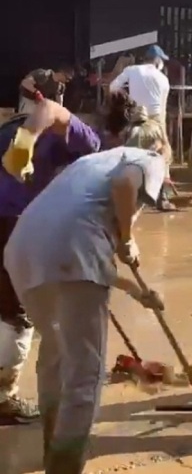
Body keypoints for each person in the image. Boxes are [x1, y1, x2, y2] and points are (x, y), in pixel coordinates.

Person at [4, 118, 169, 472]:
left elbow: (87, 266)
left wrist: (139, 292)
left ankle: (53, 447)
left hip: (22, 249)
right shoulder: (147, 158)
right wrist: (126, 238)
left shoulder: (91, 162)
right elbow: (126, 185)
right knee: (85, 372)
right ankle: (64, 465)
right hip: (71, 250)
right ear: (159, 147)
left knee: (56, 353)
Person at [0, 100, 104, 428]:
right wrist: (28, 137)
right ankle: (4, 396)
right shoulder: (90, 144)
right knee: (18, 314)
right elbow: (53, 110)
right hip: (17, 222)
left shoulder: (6, 127)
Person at [109, 45, 176, 211]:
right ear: (158, 60)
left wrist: (125, 101)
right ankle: (163, 197)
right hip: (155, 119)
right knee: (163, 156)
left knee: (130, 156)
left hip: (135, 116)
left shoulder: (132, 70)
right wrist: (164, 134)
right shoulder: (163, 79)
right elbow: (163, 108)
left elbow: (112, 87)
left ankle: (126, 195)